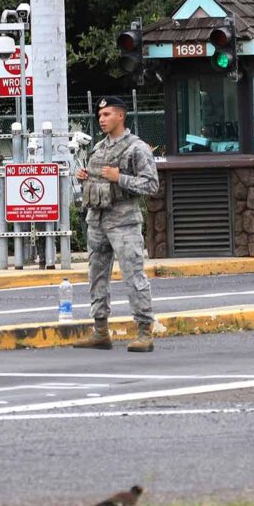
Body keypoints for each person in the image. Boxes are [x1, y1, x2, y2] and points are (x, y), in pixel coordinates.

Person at [73, 96, 161, 352]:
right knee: (96, 277)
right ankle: (100, 331)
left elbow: (151, 184)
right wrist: (85, 177)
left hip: (124, 223)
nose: (102, 119)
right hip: (97, 221)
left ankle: (145, 331)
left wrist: (119, 177)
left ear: (121, 116)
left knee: (134, 275)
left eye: (107, 115)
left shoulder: (136, 148)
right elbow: (97, 181)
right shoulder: (99, 148)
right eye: (100, 116)